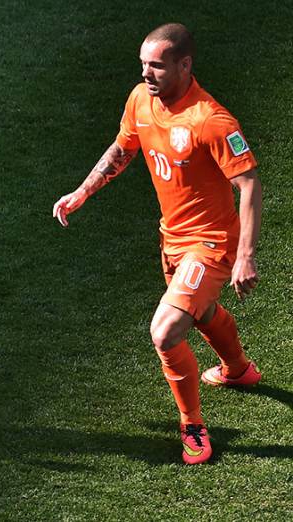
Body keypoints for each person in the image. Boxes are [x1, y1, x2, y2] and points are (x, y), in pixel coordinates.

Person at [51, 23, 262, 464]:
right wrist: (82, 192)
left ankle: (192, 426)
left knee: (165, 332)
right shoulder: (140, 99)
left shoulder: (211, 120)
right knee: (201, 313)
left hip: (211, 243)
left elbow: (249, 184)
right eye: (143, 64)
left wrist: (245, 257)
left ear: (185, 65)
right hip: (172, 238)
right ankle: (239, 370)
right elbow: (122, 149)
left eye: (158, 66)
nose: (147, 74)